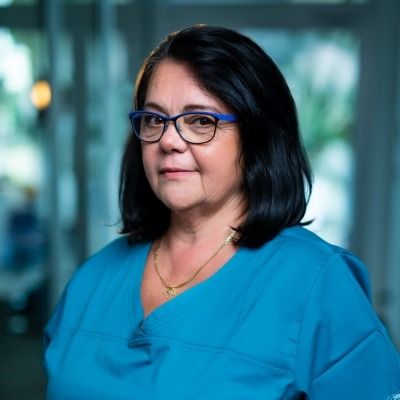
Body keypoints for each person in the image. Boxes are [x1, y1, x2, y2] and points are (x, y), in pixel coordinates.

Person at [44, 25, 400, 399]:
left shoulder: (319, 284)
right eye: (154, 119)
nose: (168, 140)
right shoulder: (92, 279)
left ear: (257, 136)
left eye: (201, 120)